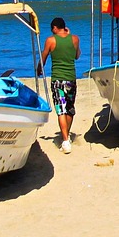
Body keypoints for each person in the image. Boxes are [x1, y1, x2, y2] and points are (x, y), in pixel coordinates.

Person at [40, 17, 80, 154]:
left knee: (61, 109)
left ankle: (65, 139)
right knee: (69, 108)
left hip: (57, 80)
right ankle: (66, 137)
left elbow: (43, 57)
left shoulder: (51, 40)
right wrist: (69, 35)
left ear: (55, 28)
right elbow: (77, 55)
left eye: (52, 29)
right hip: (71, 79)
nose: (52, 31)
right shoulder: (74, 39)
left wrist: (39, 69)